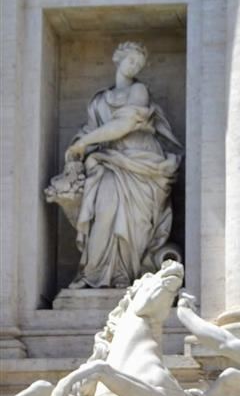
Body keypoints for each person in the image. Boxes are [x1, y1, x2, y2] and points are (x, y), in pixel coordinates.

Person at [48, 41, 182, 290]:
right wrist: (78, 146)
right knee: (104, 210)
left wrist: (86, 141)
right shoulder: (99, 99)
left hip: (141, 163)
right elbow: (91, 129)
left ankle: (125, 275)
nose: (135, 67)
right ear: (118, 59)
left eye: (139, 64)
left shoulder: (139, 90)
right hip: (108, 162)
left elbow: (123, 125)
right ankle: (93, 274)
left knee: (135, 223)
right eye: (131, 61)